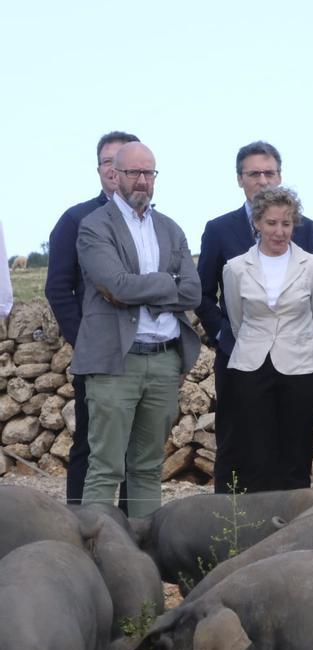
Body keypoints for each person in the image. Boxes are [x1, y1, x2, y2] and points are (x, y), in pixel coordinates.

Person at [74, 142, 202, 517]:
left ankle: (142, 556)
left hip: (164, 361)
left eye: (149, 173)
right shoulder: (94, 226)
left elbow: (192, 291)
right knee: (106, 467)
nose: (142, 181)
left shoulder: (170, 228)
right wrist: (167, 283)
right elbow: (116, 285)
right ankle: (97, 555)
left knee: (147, 468)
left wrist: (144, 287)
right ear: (115, 175)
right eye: (134, 173)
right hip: (116, 361)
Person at [196, 141, 313, 493]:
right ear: (239, 179)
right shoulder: (219, 230)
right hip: (240, 358)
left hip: (293, 360)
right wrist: (225, 335)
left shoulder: (305, 227)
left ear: (280, 176)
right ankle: (231, 528)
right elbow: (203, 293)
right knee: (237, 445)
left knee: (292, 444)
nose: (263, 180)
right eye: (254, 174)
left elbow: (312, 293)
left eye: (270, 173)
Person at [45, 130, 139, 505]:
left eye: (125, 163)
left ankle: (137, 533)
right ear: (99, 169)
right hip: (97, 357)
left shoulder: (155, 223)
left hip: (144, 352)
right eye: (107, 162)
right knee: (89, 445)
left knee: (139, 450)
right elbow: (58, 289)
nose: (115, 169)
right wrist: (84, 342)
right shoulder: (75, 219)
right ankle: (80, 533)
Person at [222, 187, 313, 493]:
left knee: (296, 452)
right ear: (257, 223)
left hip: (300, 367)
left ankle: (295, 526)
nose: (279, 231)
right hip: (251, 367)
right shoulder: (236, 268)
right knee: (254, 454)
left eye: (286, 223)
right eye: (271, 223)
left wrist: (303, 344)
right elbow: (237, 318)